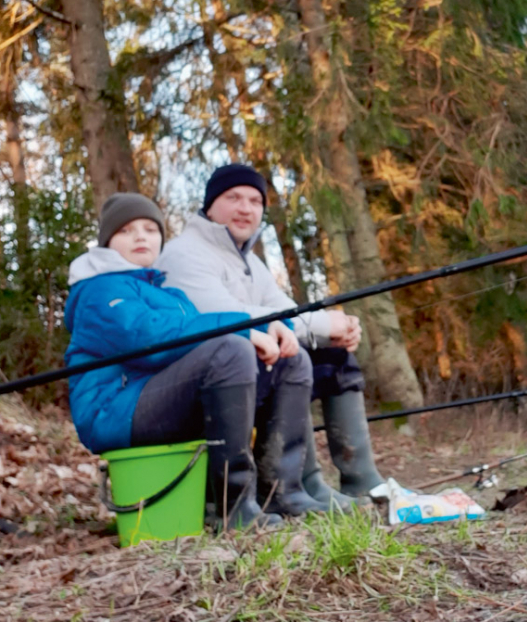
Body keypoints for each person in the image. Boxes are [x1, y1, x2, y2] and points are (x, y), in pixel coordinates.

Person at [64, 193, 322, 529]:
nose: (141, 237)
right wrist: (244, 331)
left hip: (153, 397)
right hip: (115, 410)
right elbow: (150, 338)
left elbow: (194, 330)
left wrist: (267, 328)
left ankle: (283, 492)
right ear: (107, 242)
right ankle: (234, 506)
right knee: (230, 351)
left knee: (290, 360)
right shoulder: (99, 290)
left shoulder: (170, 294)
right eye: (126, 230)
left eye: (150, 229)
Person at [155, 164, 388, 509]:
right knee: (291, 356)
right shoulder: (184, 253)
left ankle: (359, 481)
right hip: (207, 380)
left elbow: (285, 312)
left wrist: (333, 329)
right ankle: (292, 486)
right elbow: (225, 316)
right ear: (209, 206)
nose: (245, 208)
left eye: (255, 201)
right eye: (233, 198)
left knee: (333, 357)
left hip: (249, 362)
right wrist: (323, 324)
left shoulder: (250, 262)